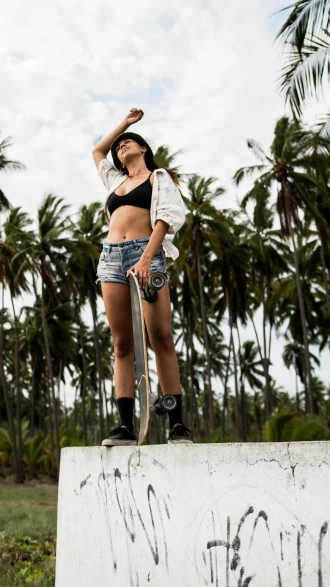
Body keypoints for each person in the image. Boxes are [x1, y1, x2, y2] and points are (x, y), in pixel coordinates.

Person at [92, 107, 192, 445]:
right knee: (122, 343)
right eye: (119, 145)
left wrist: (148, 257)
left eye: (129, 142)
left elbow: (166, 217)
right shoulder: (115, 181)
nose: (121, 145)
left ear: (143, 148)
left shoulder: (158, 178)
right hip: (110, 259)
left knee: (160, 335)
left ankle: (177, 424)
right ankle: (125, 427)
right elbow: (97, 151)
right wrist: (124, 124)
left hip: (144, 253)